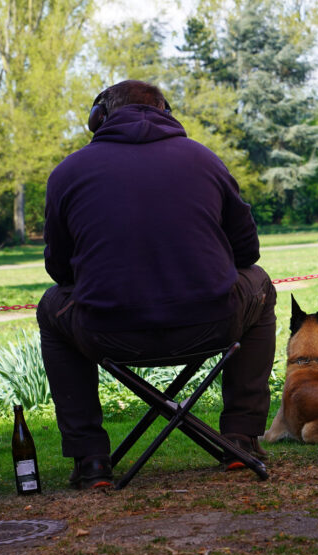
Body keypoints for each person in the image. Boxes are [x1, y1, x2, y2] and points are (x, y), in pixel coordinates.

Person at [37, 80, 277, 489]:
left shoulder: (67, 172)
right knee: (261, 285)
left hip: (108, 335)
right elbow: (247, 253)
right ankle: (240, 435)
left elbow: (61, 273)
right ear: (167, 113)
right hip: (212, 324)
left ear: (99, 118)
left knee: (50, 306)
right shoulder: (205, 160)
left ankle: (91, 458)